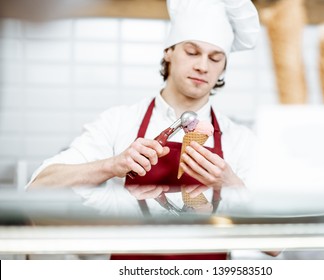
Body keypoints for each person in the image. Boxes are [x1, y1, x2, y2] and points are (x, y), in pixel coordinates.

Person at [27, 0, 262, 259]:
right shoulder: (118, 121)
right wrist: (113, 166)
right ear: (168, 51)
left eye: (215, 58)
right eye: (192, 52)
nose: (203, 66)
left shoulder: (241, 141)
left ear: (223, 67)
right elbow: (38, 189)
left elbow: (274, 245)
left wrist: (230, 185)